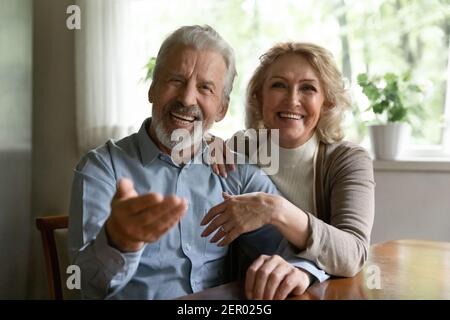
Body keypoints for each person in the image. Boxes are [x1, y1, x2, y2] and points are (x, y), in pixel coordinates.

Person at [68, 26, 328, 300]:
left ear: (222, 109)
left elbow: (294, 249)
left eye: (205, 87)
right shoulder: (101, 169)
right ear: (153, 89)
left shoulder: (238, 174)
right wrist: (119, 242)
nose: (186, 98)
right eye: (176, 81)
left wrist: (301, 270)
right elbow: (84, 286)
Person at [205, 42, 375, 277]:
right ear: (259, 97)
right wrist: (202, 142)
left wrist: (276, 209)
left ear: (327, 103)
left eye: (308, 88)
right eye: (279, 85)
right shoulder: (239, 148)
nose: (292, 100)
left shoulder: (347, 161)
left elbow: (353, 256)